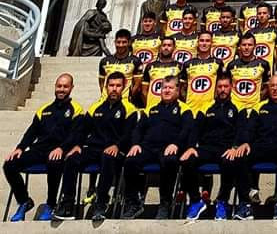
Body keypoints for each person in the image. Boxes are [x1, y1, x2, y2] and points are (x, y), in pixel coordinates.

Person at [52, 72, 137, 222]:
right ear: (106, 87)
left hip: (116, 151)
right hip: (94, 148)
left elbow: (128, 134)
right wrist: (77, 145)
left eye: (118, 86)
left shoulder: (129, 109)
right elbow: (82, 130)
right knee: (71, 158)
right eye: (111, 85)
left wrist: (117, 146)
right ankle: (67, 204)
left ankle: (101, 202)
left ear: (123, 88)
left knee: (107, 156)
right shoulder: (95, 107)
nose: (114, 89)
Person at [3, 73, 84, 222]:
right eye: (59, 86)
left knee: (54, 162)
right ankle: (24, 201)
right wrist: (20, 148)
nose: (62, 89)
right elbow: (32, 131)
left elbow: (76, 135)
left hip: (59, 151)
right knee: (9, 164)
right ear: (55, 87)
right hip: (39, 150)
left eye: (65, 86)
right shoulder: (44, 109)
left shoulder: (76, 109)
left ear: (71, 88)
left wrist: (62, 148)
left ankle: (51, 204)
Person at [122, 76, 194, 219]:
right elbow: (138, 129)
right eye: (164, 88)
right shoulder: (151, 109)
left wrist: (176, 144)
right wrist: (135, 144)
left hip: (169, 148)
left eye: (170, 88)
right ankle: (134, 202)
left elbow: (187, 130)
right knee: (130, 160)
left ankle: (165, 204)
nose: (167, 91)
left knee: (169, 161)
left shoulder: (184, 109)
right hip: (148, 147)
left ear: (177, 90)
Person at [235, 74, 277, 222]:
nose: (275, 89)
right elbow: (250, 129)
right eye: (272, 86)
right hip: (260, 147)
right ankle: (246, 204)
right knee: (239, 157)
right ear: (268, 88)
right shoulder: (258, 107)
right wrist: (245, 143)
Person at [180, 73, 241, 222]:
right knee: (187, 160)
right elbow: (195, 129)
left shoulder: (237, 108)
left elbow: (241, 131)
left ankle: (222, 201)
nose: (222, 90)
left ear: (231, 88)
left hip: (226, 149)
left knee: (231, 162)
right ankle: (196, 201)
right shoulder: (206, 107)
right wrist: (191, 147)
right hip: (207, 148)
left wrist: (235, 147)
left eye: (226, 86)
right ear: (215, 89)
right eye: (220, 87)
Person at [179, 30, 224, 114]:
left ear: (211, 43)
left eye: (207, 41)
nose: (204, 43)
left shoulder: (218, 63)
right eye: (202, 40)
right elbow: (182, 88)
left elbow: (221, 86)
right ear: (198, 42)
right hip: (190, 108)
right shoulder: (188, 64)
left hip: (211, 109)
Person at [227, 32, 270, 112]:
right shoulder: (231, 65)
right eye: (244, 45)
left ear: (255, 46)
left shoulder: (263, 64)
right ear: (239, 46)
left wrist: (260, 100)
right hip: (235, 108)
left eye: (250, 45)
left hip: (255, 108)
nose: (246, 48)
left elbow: (266, 86)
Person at [98, 28, 141, 100]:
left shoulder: (135, 61)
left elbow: (137, 84)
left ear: (129, 43)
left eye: (124, 42)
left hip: (124, 101)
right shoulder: (105, 61)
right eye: (118, 42)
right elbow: (101, 83)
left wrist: (129, 97)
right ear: (114, 42)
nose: (121, 45)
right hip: (106, 100)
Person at [141, 36, 181, 109]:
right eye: (164, 45)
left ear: (174, 48)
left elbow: (180, 90)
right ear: (160, 48)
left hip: (171, 109)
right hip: (151, 108)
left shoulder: (179, 66)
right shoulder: (150, 66)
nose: (166, 48)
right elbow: (144, 91)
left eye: (169, 45)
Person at [252, 3, 277, 71]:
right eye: (259, 13)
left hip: (270, 66)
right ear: (256, 15)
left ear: (269, 15)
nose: (261, 15)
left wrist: (274, 61)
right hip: (254, 68)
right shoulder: (250, 32)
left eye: (264, 13)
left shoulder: (276, 31)